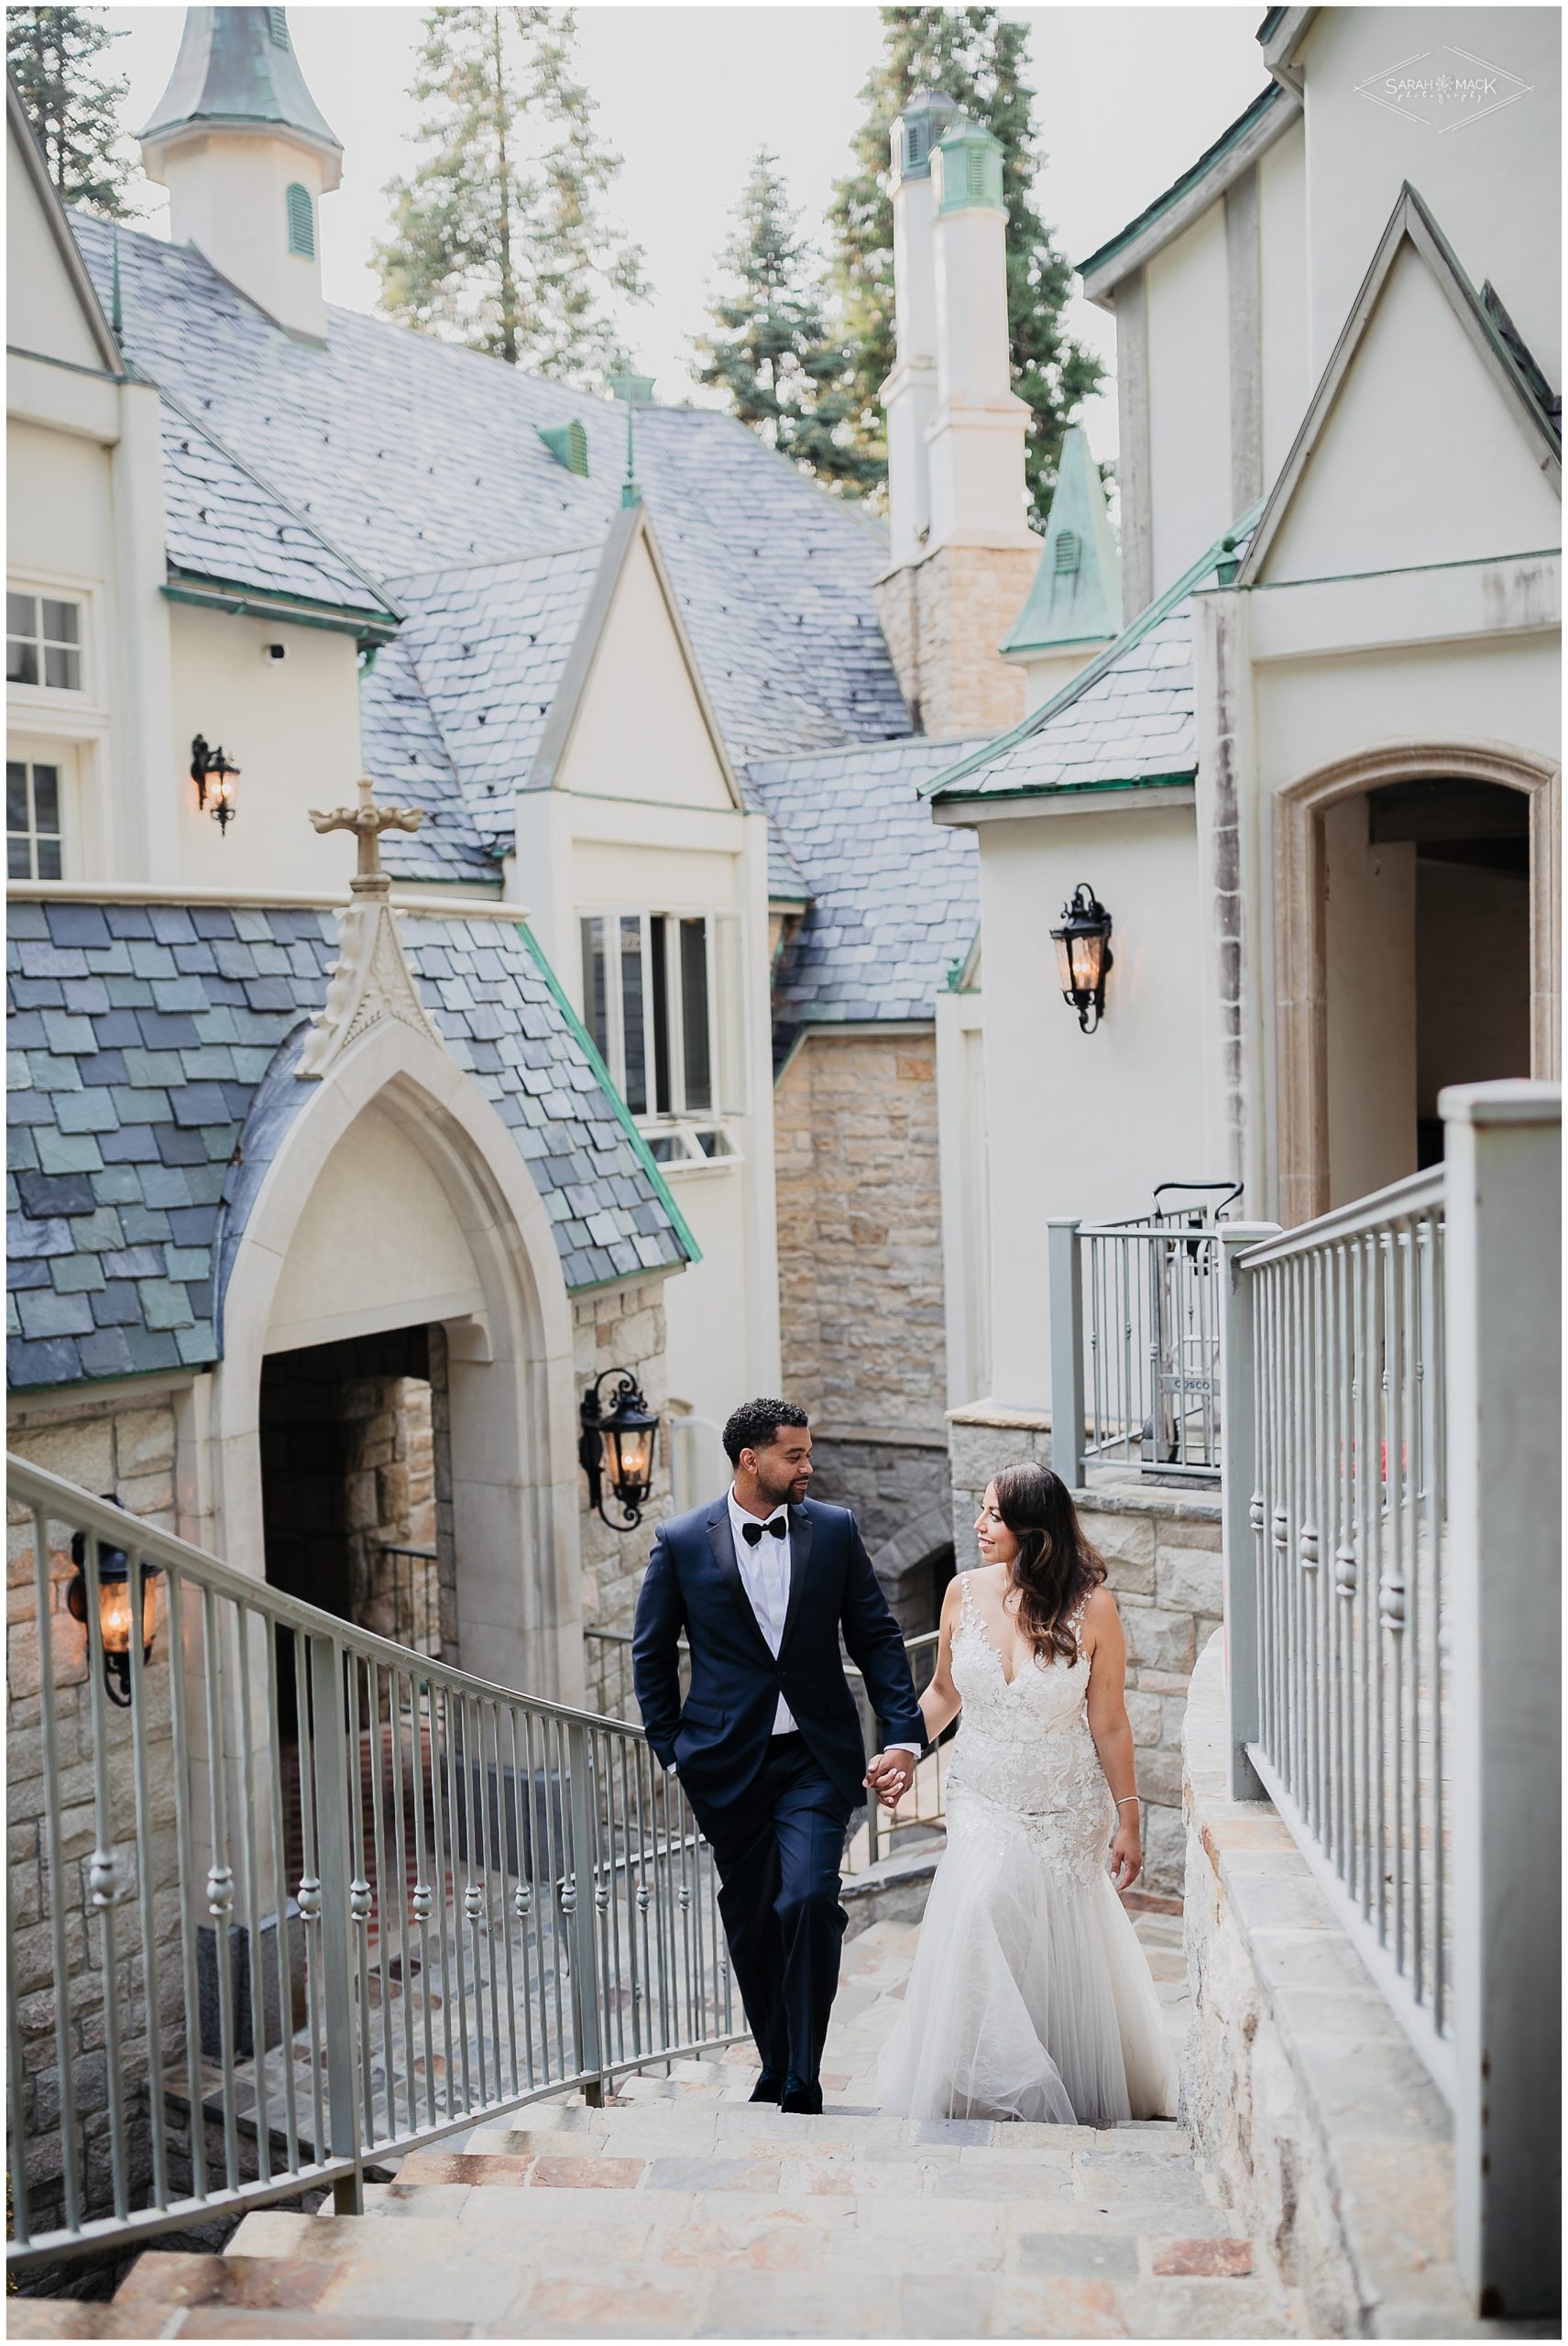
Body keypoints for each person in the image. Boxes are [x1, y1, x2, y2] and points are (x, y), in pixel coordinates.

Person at [631, 1398, 925, 2114]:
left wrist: (902, 1735)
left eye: (807, 1453)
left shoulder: (833, 1530)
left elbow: (877, 1637)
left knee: (807, 1899)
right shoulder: (679, 1541)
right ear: (749, 1460)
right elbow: (649, 1655)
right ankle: (775, 2059)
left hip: (814, 1759)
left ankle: (803, 2072)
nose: (807, 1466)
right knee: (753, 1916)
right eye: (793, 1455)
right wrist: (672, 1750)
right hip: (724, 1764)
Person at [875, 1463, 1178, 2125]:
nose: (980, 1526)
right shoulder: (961, 1590)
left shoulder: (1093, 1607)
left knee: (1051, 1938)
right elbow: (943, 1694)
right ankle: (995, 2082)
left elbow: (1109, 1721)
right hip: (981, 1794)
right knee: (983, 1911)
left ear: (1034, 1532)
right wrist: (903, 1748)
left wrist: (1128, 1822)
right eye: (982, 1512)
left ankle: (1058, 2068)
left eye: (994, 1516)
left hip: (1064, 1806)